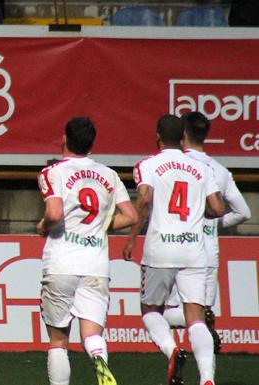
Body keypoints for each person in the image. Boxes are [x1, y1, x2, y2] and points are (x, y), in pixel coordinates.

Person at [122, 114, 226, 385]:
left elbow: (144, 198)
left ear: (157, 136)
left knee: (150, 311)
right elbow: (217, 208)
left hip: (160, 250)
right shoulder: (202, 168)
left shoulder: (148, 165)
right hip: (194, 250)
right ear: (183, 138)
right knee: (196, 318)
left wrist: (133, 236)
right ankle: (206, 379)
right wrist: (195, 213)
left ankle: (172, 350)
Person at [37, 117, 137, 385]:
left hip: (62, 262)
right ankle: (98, 358)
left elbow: (55, 213)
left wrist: (44, 225)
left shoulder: (53, 172)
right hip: (96, 265)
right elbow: (130, 216)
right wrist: (99, 226)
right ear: (92, 144)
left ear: (64, 139)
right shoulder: (109, 175)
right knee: (92, 334)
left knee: (58, 340)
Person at [163, 111, 251, 353]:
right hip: (208, 253)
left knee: (159, 315)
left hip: (177, 247)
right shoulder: (220, 171)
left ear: (182, 135)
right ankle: (207, 375)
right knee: (200, 313)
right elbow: (244, 212)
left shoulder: (173, 166)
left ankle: (174, 353)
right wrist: (213, 224)